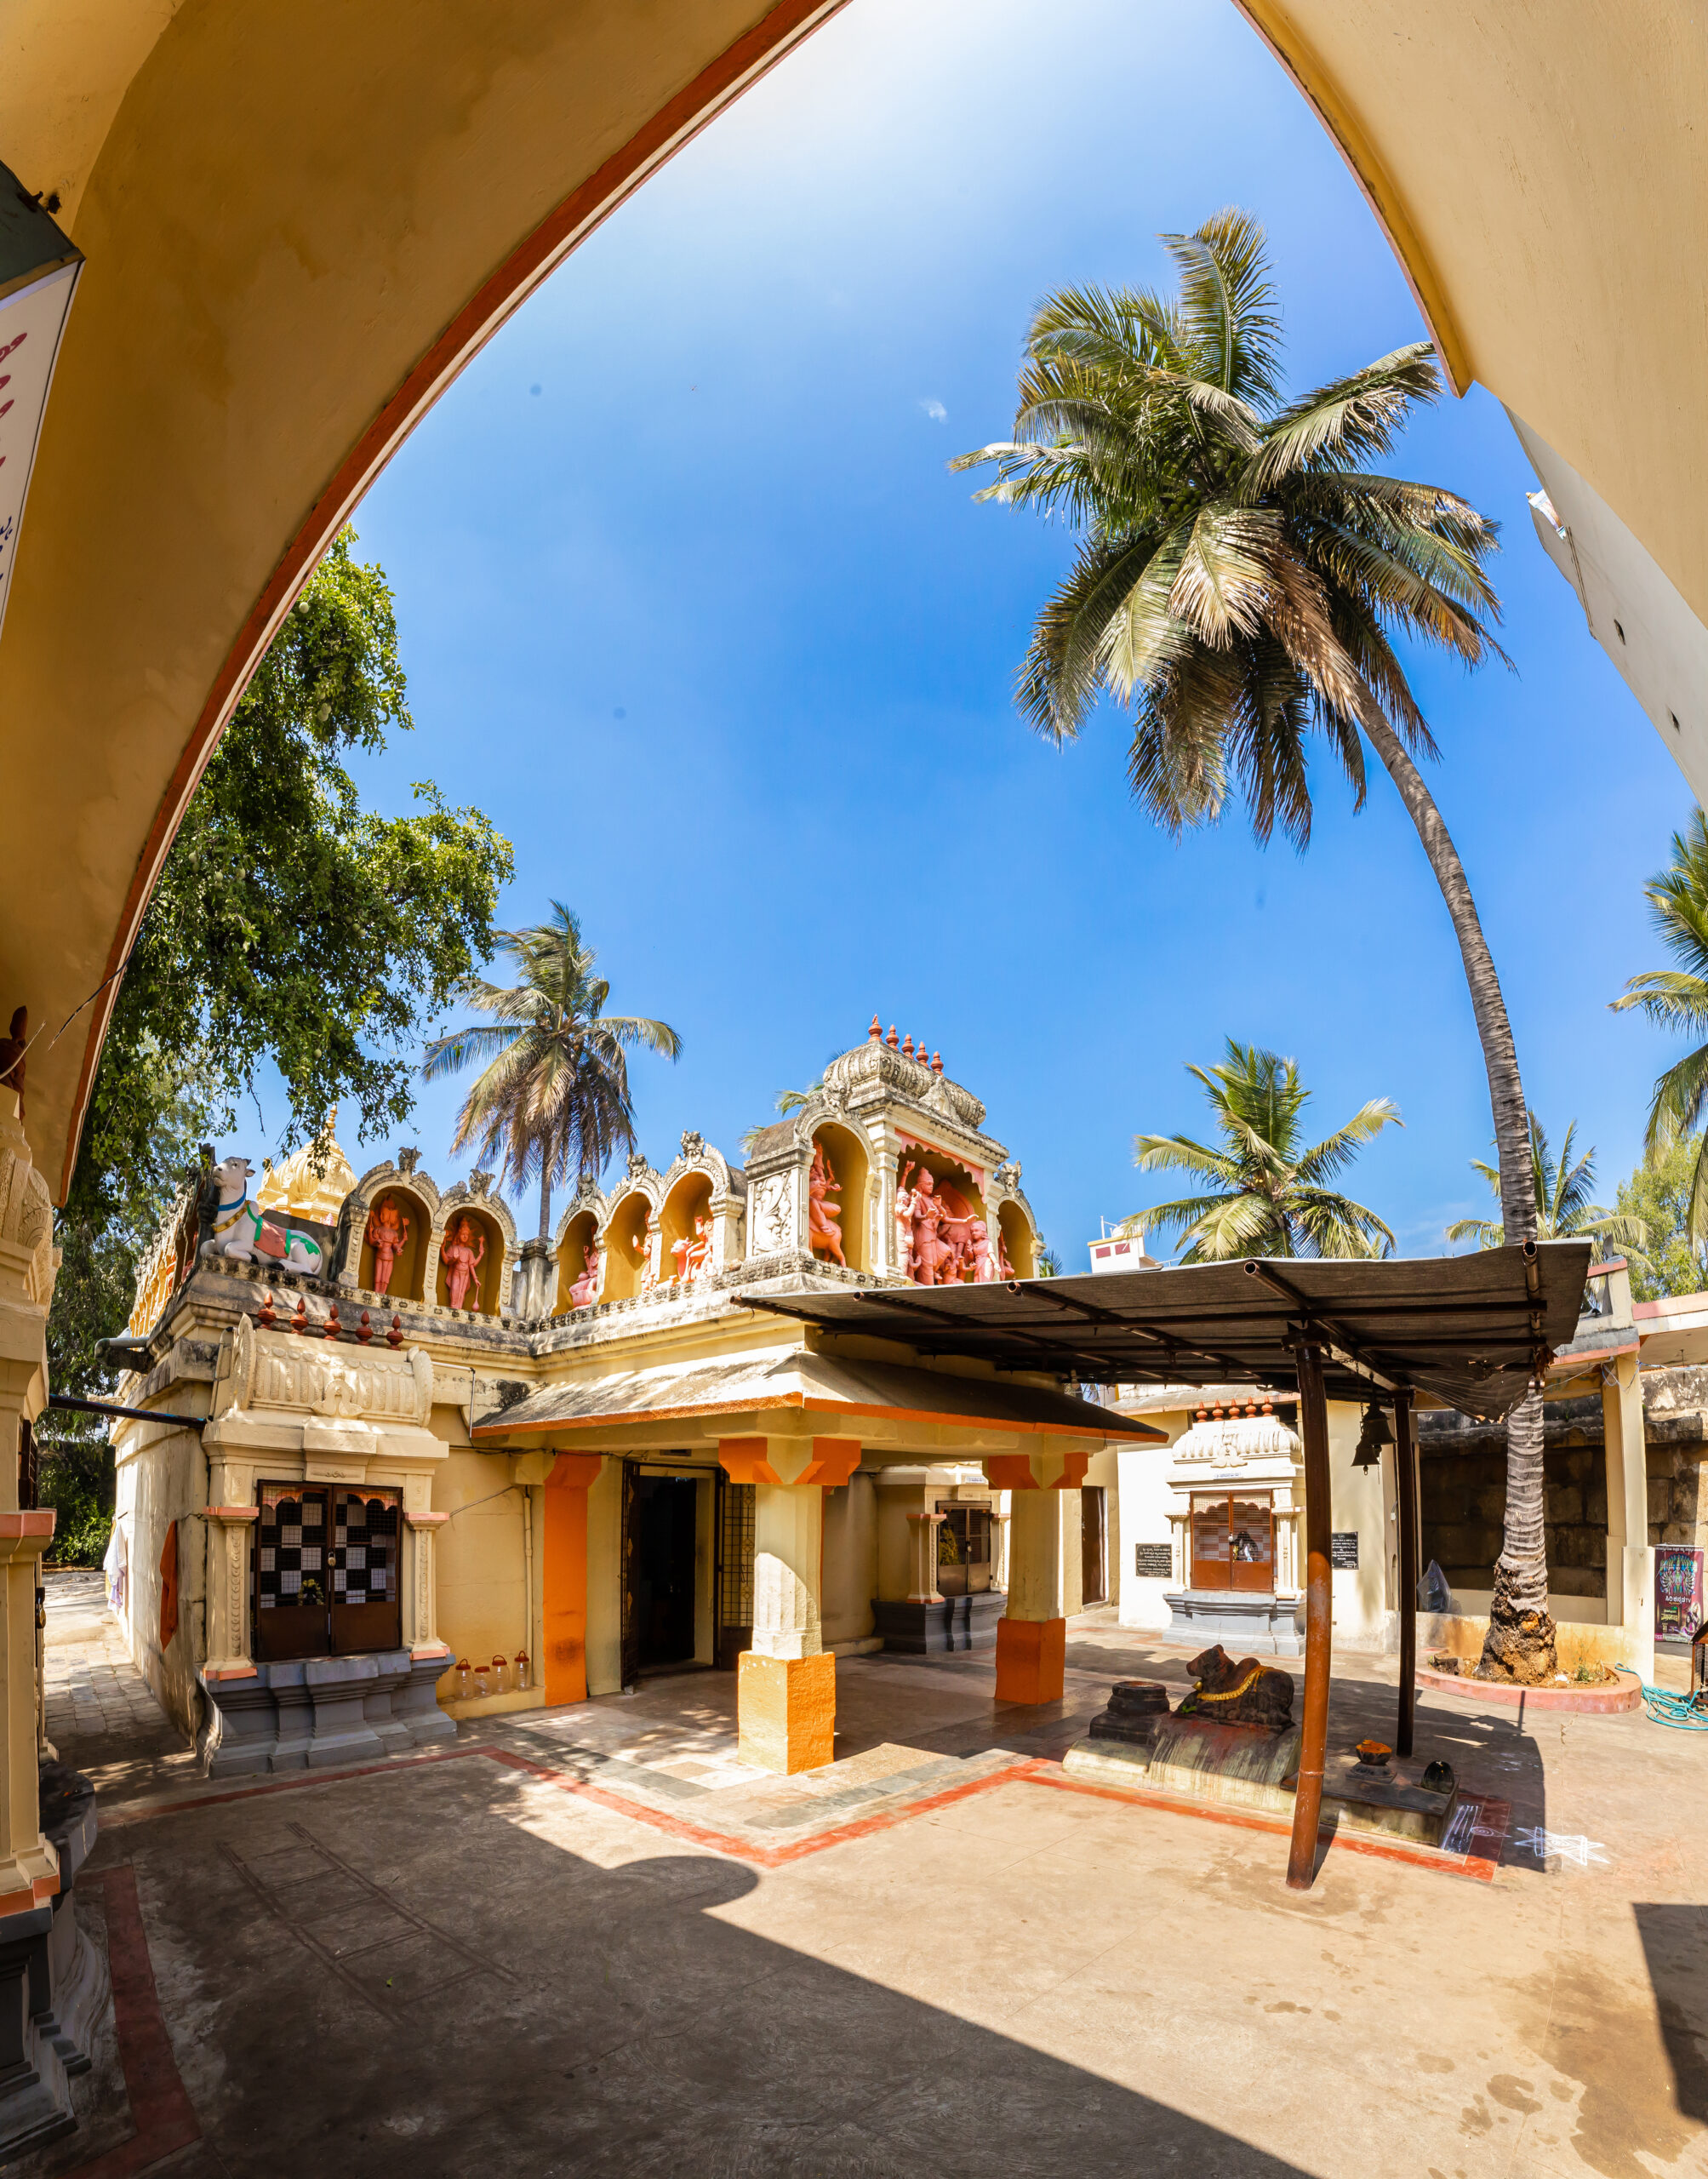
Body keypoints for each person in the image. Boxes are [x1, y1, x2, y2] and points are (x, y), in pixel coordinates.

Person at [365, 1196, 410, 1295]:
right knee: (378, 1276)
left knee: (386, 1278)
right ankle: (376, 1293)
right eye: (381, 1214)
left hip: (389, 1257)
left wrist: (401, 1243)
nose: (381, 1216)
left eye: (383, 1214)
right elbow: (372, 1241)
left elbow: (395, 1246)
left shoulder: (394, 1233)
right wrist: (371, 1233)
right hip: (380, 1255)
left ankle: (382, 1293)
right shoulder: (378, 1230)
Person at [442, 1215, 487, 1311]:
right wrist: (444, 1250)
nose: (465, 1236)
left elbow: (472, 1265)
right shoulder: (453, 1248)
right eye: (463, 1234)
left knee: (462, 1293)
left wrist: (475, 1279)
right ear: (459, 1234)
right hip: (456, 1273)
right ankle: (453, 1309)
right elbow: (447, 1261)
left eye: (467, 1234)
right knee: (455, 1290)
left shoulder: (469, 1251)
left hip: (466, 1274)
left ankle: (459, 1310)